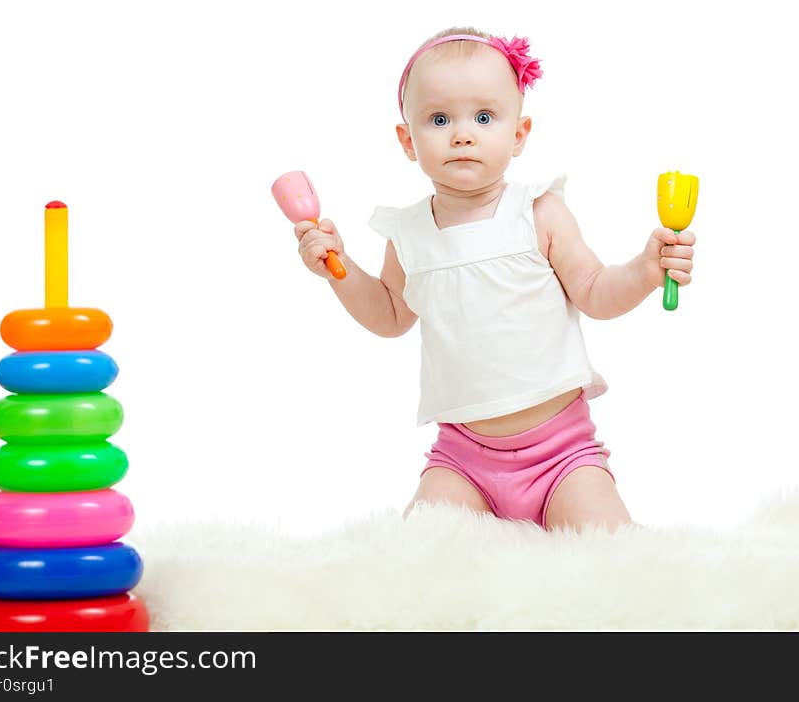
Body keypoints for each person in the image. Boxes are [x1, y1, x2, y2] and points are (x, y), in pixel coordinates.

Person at [293, 26, 696, 532]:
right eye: (439, 119)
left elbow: (595, 292)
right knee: (416, 551)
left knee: (609, 551)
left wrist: (644, 269)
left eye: (484, 117)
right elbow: (390, 315)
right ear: (407, 139)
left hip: (562, 457)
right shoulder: (409, 233)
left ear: (519, 133)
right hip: (462, 462)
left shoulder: (539, 211)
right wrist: (340, 268)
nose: (462, 134)